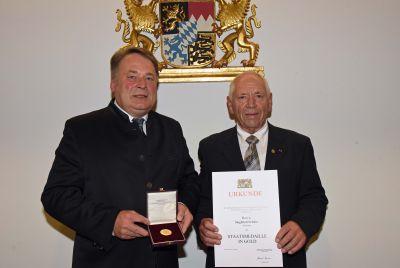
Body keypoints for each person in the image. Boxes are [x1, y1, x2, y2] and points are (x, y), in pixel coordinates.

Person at [41, 47, 200, 268]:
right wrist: (110, 222)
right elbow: (55, 196)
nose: (142, 85)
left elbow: (189, 179)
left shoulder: (171, 129)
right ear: (113, 84)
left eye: (149, 78)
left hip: (162, 261)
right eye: (132, 77)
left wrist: (184, 203)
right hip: (106, 260)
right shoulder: (82, 129)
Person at [195, 71, 328, 268]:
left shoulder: (298, 145)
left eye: (258, 96)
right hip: (228, 259)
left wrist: (302, 226)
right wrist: (203, 224)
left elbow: (315, 197)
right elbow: (204, 199)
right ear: (230, 105)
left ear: (270, 102)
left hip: (285, 258)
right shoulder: (211, 148)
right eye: (242, 97)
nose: (251, 104)